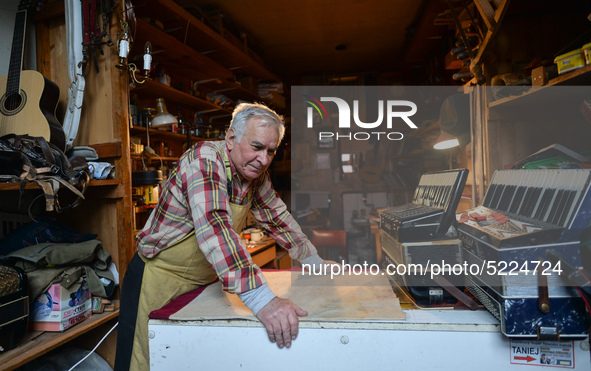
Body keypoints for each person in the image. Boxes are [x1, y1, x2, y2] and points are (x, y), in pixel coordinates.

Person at [115, 103, 329, 370]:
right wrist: (264, 301)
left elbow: (278, 218)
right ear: (230, 138)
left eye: (271, 151)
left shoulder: (255, 175)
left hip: (202, 284)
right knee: (145, 361)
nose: (264, 159)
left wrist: (315, 263)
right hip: (158, 279)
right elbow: (215, 227)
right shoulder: (204, 160)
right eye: (257, 146)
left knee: (184, 360)